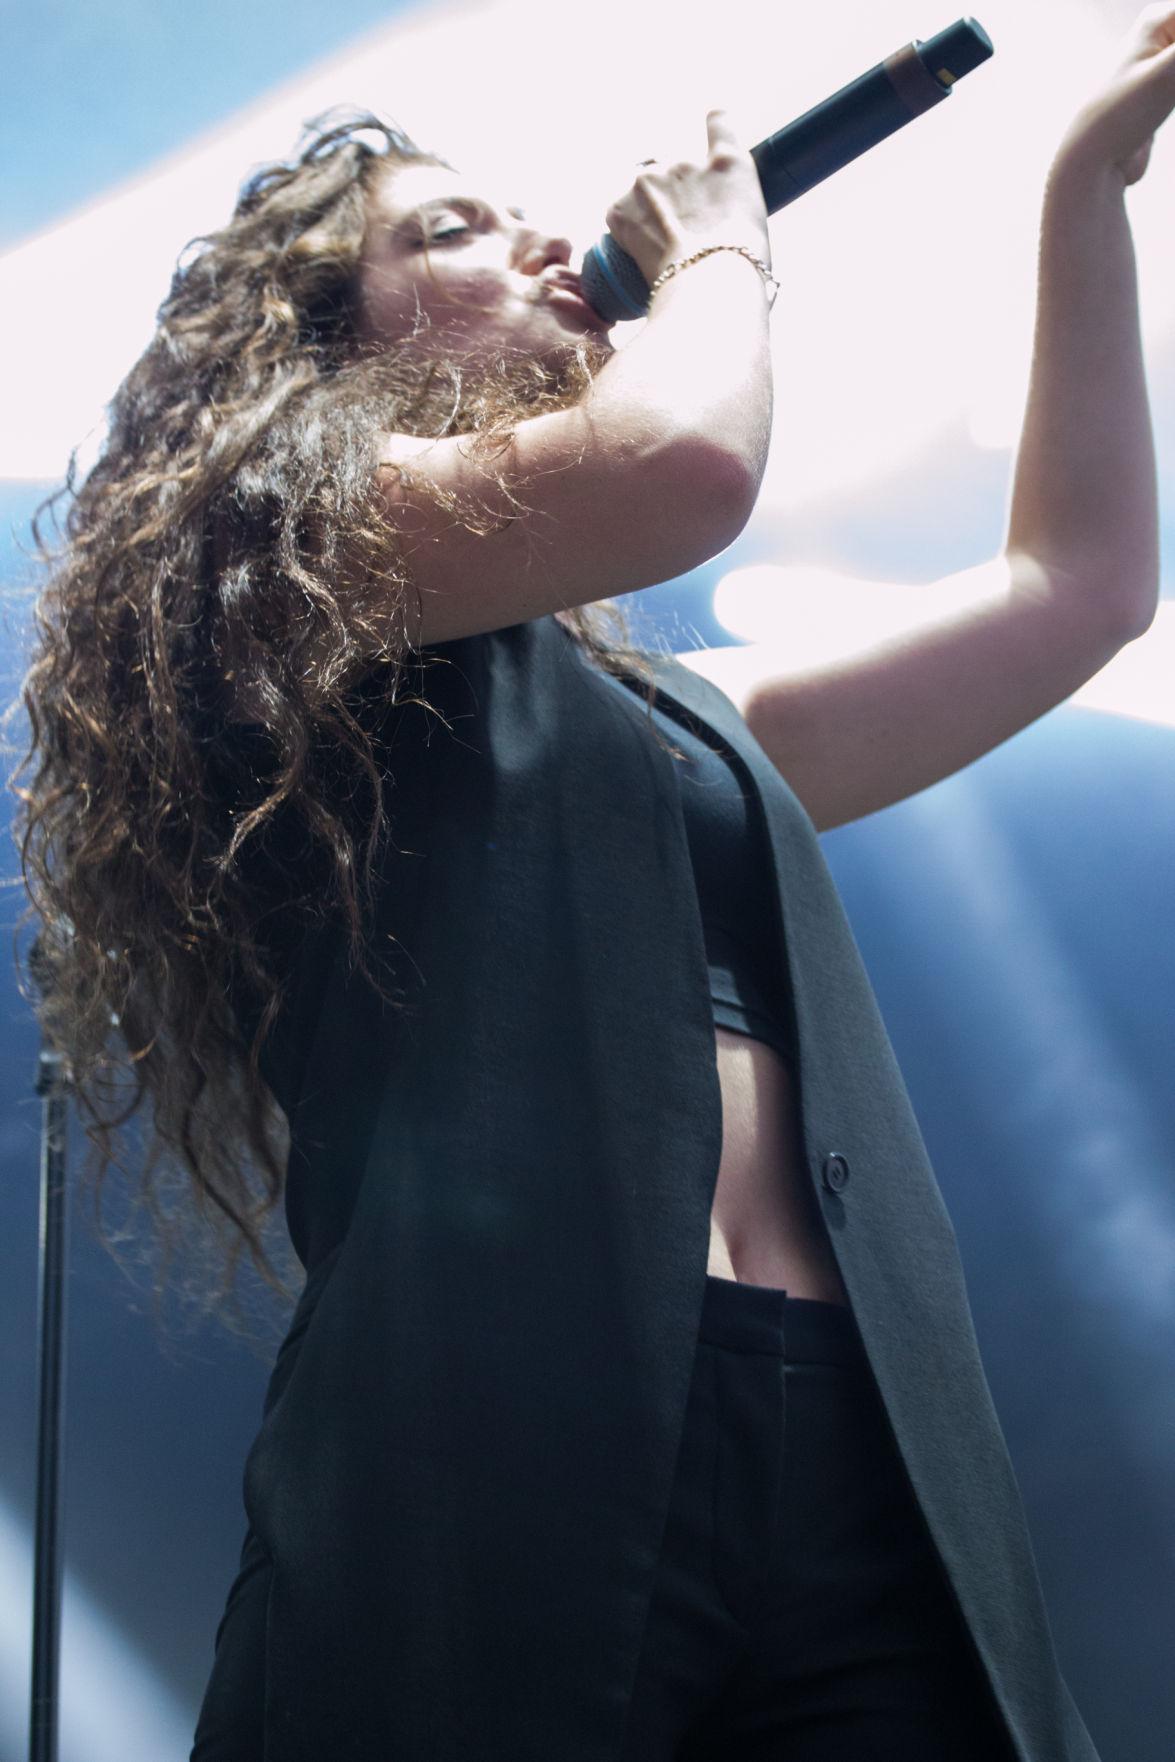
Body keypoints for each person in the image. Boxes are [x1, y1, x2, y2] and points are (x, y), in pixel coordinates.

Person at [12, 10, 1174, 1760]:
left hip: (846, 1434)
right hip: (501, 1448)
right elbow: (683, 472)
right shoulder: (281, 561)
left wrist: (1086, 172)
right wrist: (716, 259)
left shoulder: (686, 720)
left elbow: (1074, 585)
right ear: (316, 347)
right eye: (450, 229)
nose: (544, 241)